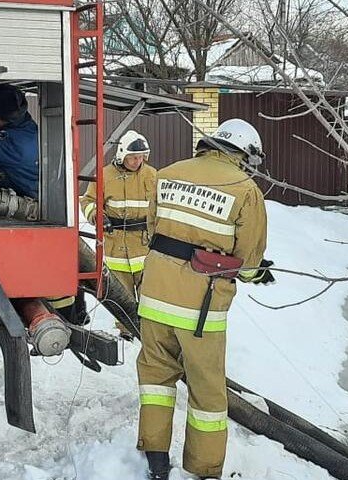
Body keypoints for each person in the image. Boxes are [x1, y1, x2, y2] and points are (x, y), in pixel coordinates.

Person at [136, 119, 275, 480]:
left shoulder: (166, 174)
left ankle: (155, 457)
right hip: (200, 308)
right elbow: (247, 260)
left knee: (155, 376)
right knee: (207, 393)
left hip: (153, 295)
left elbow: (153, 229)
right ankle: (203, 469)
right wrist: (254, 273)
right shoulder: (245, 189)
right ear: (244, 152)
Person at [80, 130, 157, 339]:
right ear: (122, 154)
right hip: (117, 247)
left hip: (144, 246)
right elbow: (87, 201)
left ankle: (149, 333)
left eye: (141, 157)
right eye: (133, 157)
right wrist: (98, 216)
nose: (137, 161)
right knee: (121, 293)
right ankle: (126, 331)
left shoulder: (152, 176)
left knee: (149, 294)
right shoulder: (104, 176)